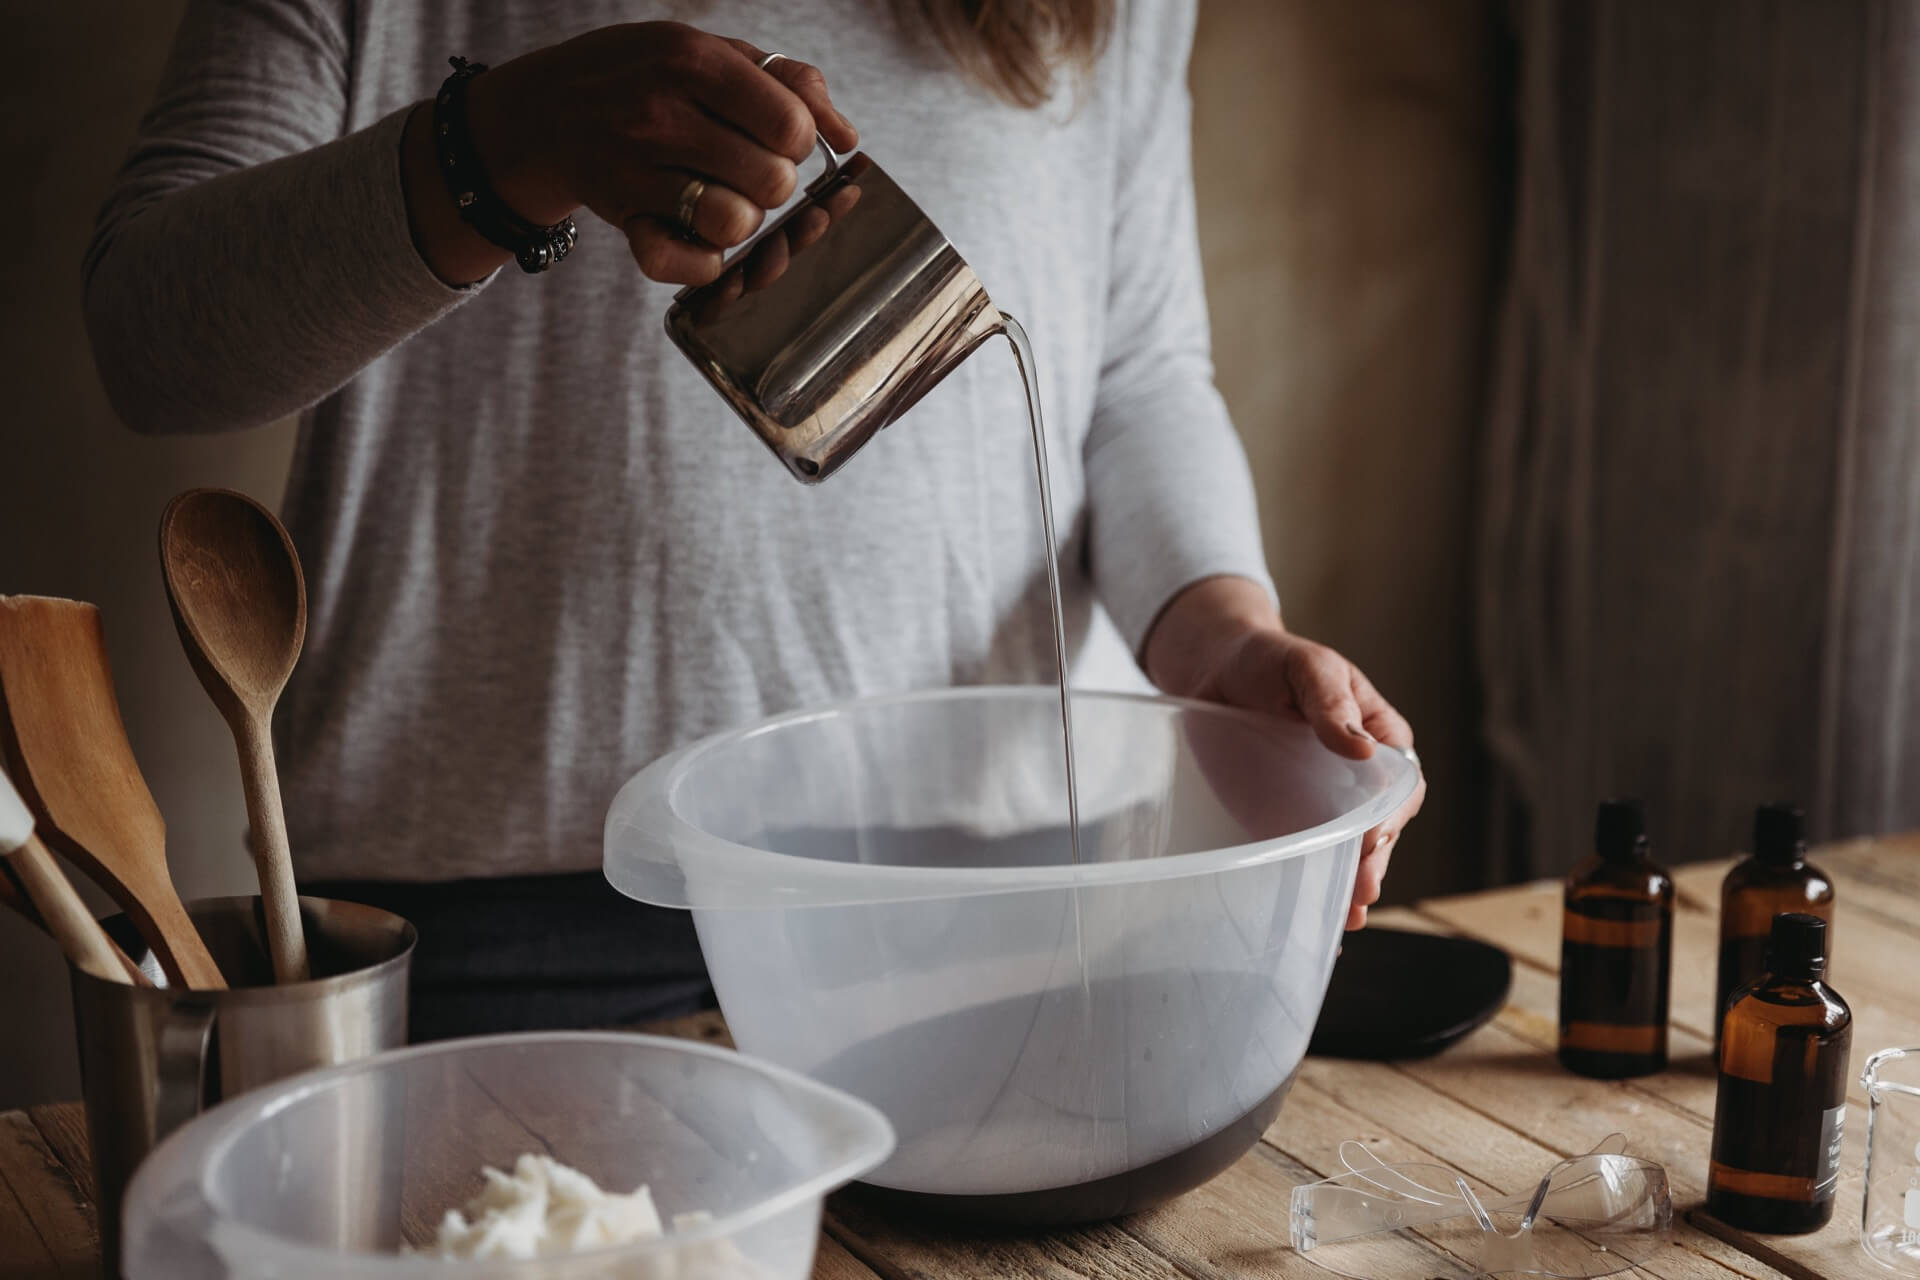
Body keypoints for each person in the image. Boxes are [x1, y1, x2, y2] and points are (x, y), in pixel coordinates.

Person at [84, 0, 1426, 1038]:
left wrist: (1229, 636)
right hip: (508, 919)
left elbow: (1134, 372)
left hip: (996, 891)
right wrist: (494, 151)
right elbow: (152, 336)